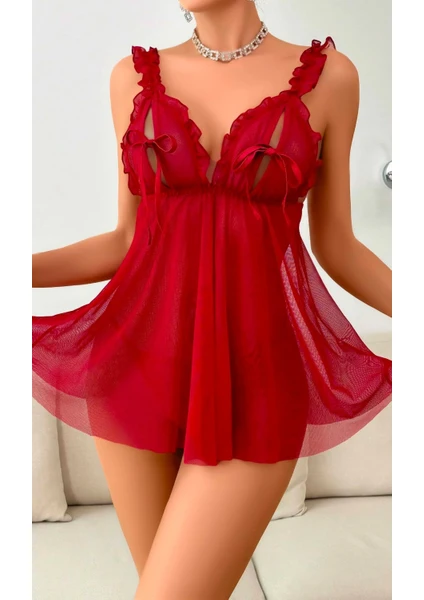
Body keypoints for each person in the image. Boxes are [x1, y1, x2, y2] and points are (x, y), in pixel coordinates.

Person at [32, 1, 392, 598]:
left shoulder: (331, 78)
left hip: (254, 380)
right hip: (133, 366)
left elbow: (338, 247)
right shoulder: (131, 79)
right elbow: (125, 241)